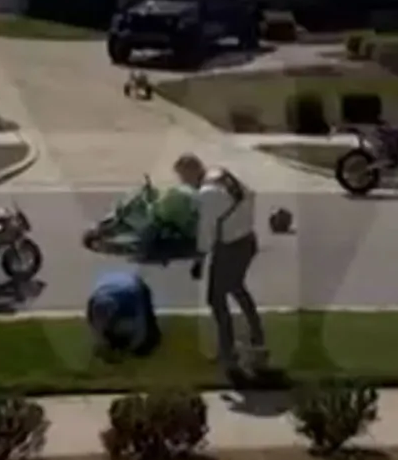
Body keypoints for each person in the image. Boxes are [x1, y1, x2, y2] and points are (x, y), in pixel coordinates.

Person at [174, 153, 265, 373]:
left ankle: (228, 350)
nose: (184, 183)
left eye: (183, 178)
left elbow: (206, 233)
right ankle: (256, 336)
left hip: (232, 246)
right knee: (236, 287)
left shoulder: (208, 194)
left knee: (215, 297)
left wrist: (198, 261)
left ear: (191, 172)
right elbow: (250, 194)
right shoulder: (221, 174)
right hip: (246, 239)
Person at [86, 269, 160, 355]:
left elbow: (142, 322)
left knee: (148, 339)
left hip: (123, 287)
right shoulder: (101, 327)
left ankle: (152, 339)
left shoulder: (134, 330)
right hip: (109, 287)